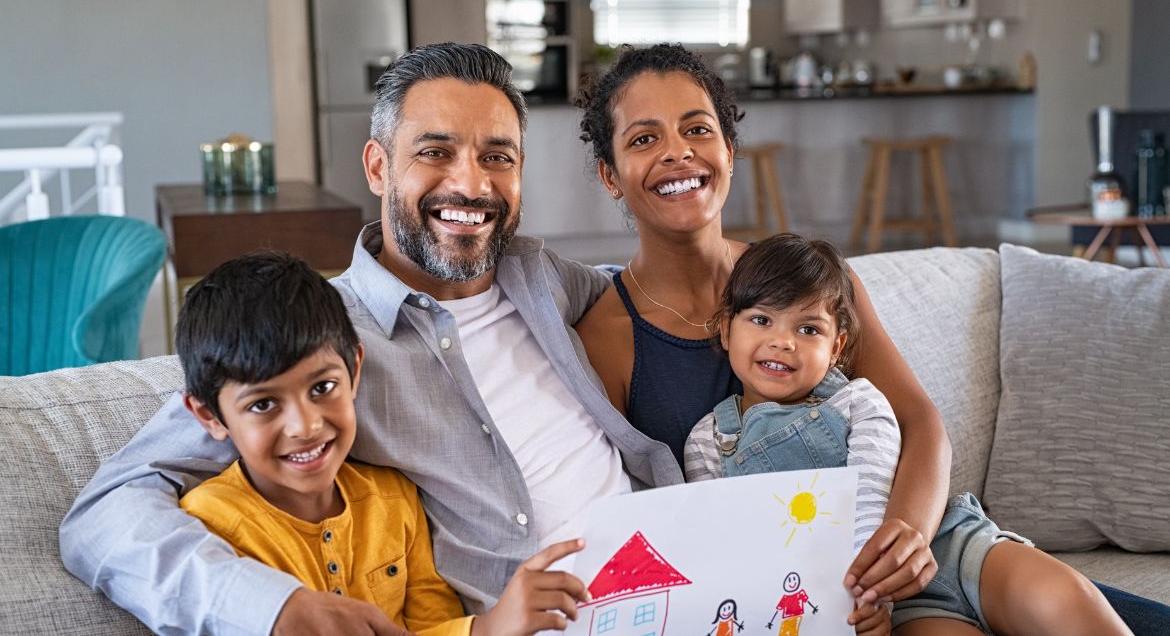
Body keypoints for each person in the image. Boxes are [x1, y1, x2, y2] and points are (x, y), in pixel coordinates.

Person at [60, 43, 677, 636]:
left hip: (674, 582)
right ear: (379, 168)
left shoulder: (541, 276)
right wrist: (273, 608)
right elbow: (105, 513)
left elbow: (650, 298)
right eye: (436, 152)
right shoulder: (317, 342)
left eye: (498, 157)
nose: (472, 184)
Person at [573, 43, 1170, 635]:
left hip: (929, 541)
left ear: (729, 151)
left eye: (697, 129)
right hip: (823, 600)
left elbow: (919, 421)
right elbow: (638, 526)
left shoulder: (811, 281)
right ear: (609, 175)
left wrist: (907, 535)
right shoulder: (607, 338)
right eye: (644, 139)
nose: (678, 152)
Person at [682, 233, 1132, 636]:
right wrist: (858, 606)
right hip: (884, 605)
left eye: (808, 329)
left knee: (1064, 599)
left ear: (837, 346)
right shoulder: (709, 441)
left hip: (949, 546)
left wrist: (867, 591)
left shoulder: (860, 403)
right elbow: (730, 549)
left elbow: (870, 504)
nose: (784, 342)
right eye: (761, 320)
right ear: (725, 329)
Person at [174, 251, 589, 636]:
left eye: (323, 387)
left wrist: (489, 626)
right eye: (264, 404)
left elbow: (433, 621)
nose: (305, 425)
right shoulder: (209, 524)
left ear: (355, 369)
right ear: (209, 415)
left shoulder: (394, 498)